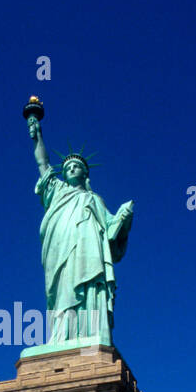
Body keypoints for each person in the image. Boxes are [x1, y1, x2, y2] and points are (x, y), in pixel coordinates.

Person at [28, 114, 133, 349]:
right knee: (63, 289)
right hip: (60, 251)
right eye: (68, 167)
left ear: (86, 174)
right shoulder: (57, 192)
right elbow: (43, 164)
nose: (72, 168)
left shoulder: (94, 199)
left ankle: (90, 337)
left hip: (89, 254)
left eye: (77, 166)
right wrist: (38, 137)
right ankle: (63, 337)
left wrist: (124, 218)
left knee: (89, 286)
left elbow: (112, 232)